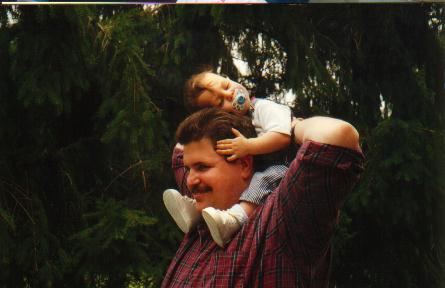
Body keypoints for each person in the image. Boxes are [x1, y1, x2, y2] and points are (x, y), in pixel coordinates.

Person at [161, 107, 363, 287]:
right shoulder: (200, 216)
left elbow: (338, 136)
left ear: (244, 165)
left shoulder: (281, 220)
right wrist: (233, 103)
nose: (189, 181)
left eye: (202, 167)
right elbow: (181, 149)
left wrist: (283, 128)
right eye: (189, 169)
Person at [164, 70, 295, 247]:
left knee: (261, 180)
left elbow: (282, 137)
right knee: (203, 183)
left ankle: (236, 218)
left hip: (283, 164)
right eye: (220, 102)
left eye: (226, 86)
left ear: (227, 78)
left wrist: (248, 146)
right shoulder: (232, 127)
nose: (230, 94)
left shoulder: (263, 108)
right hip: (262, 162)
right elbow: (185, 150)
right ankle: (196, 211)